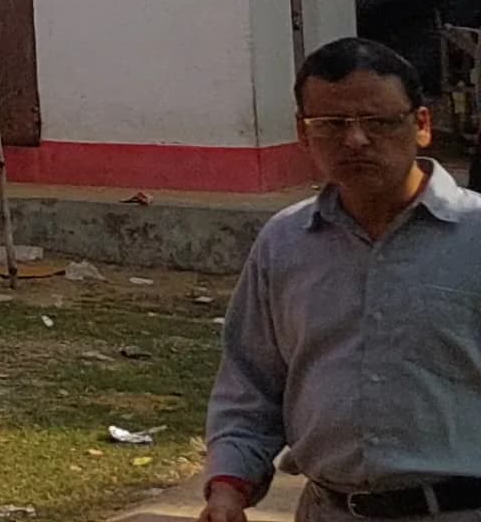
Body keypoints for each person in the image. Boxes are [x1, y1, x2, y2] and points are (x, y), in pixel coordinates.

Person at [205, 38, 481, 522]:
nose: (355, 140)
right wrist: (228, 487)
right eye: (331, 125)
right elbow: (250, 384)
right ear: (302, 134)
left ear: (421, 125)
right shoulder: (285, 242)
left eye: (378, 122)